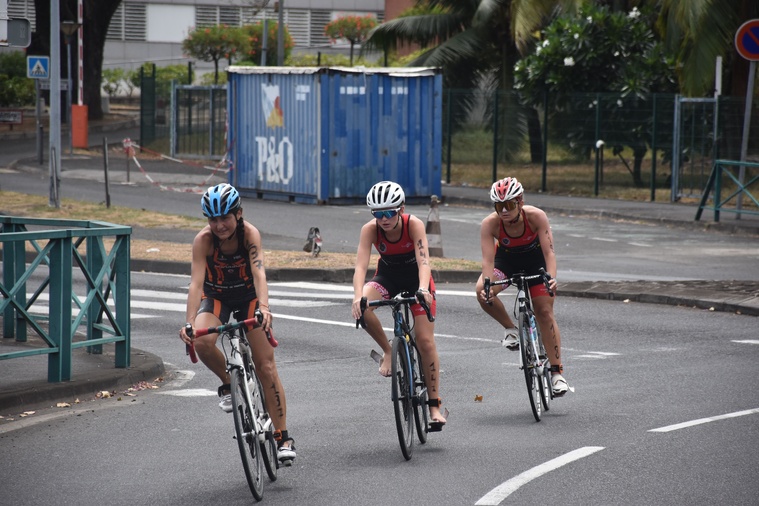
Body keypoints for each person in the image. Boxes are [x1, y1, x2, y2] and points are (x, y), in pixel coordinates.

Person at [179, 183, 296, 465]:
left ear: (239, 213)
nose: (219, 225)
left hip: (248, 296)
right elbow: (196, 284)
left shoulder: (249, 235)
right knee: (202, 341)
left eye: (225, 218)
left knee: (266, 366)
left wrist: (264, 308)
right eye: (213, 219)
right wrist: (190, 322)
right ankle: (229, 383)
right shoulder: (203, 241)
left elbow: (259, 274)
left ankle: (283, 436)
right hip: (217, 295)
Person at [351, 181, 447, 427]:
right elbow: (361, 266)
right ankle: (388, 350)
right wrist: (357, 296)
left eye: (389, 213)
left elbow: (424, 261)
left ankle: (434, 407)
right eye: (378, 214)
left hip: (417, 278)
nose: (383, 219)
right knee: (363, 308)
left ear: (401, 209)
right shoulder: (370, 229)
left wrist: (423, 289)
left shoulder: (413, 224)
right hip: (389, 275)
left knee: (425, 341)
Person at [475, 177, 568, 395]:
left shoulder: (536, 216)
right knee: (481, 291)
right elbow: (488, 261)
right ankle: (511, 329)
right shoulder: (490, 224)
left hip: (537, 263)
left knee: (544, 311)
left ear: (520, 201)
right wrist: (488, 285)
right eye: (499, 206)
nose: (504, 211)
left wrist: (551, 277)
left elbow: (549, 253)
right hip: (506, 263)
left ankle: (556, 373)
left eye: (509, 205)